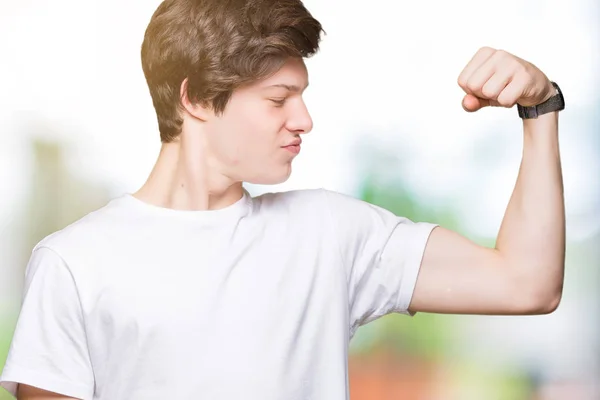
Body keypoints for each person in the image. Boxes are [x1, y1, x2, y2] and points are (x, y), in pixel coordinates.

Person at [0, 0, 566, 399]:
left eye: (303, 95)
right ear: (195, 98)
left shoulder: (328, 233)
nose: (304, 119)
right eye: (279, 99)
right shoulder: (74, 263)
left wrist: (540, 110)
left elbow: (525, 283)